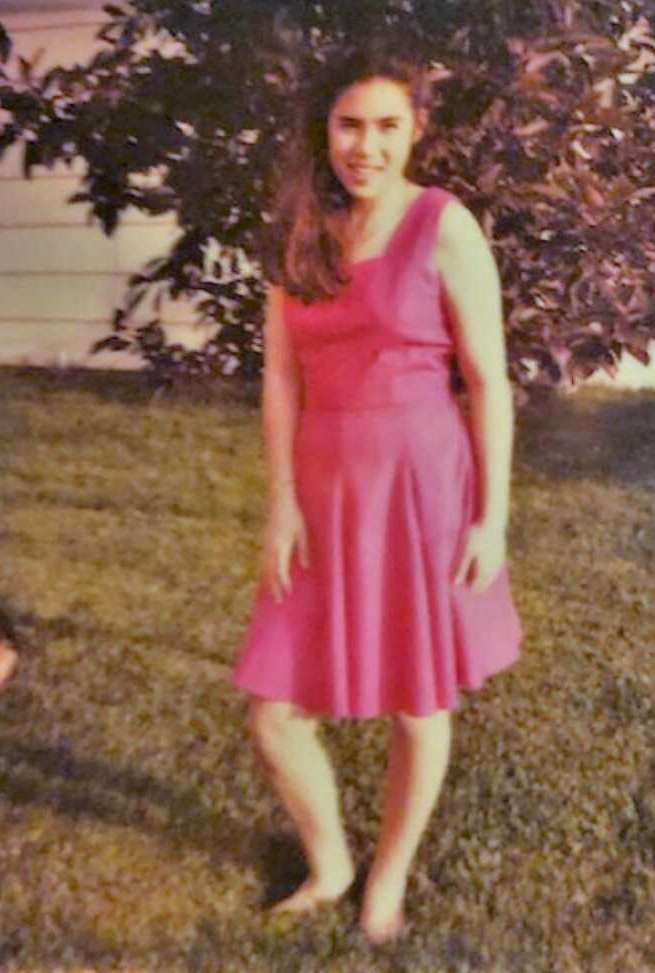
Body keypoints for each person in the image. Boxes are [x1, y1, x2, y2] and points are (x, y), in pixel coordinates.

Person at [230, 38, 523, 945]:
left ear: (417, 130)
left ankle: (386, 880)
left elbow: (489, 379)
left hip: (422, 488)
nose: (367, 146)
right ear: (324, 131)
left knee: (418, 699)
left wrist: (492, 517)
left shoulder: (446, 224)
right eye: (350, 125)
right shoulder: (300, 230)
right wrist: (280, 500)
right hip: (323, 490)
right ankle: (330, 865)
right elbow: (281, 381)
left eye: (388, 126)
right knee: (274, 712)